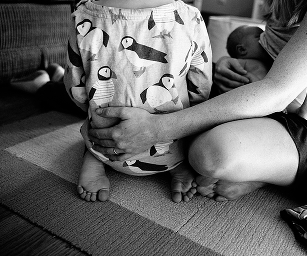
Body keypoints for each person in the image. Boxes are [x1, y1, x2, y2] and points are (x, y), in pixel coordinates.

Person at [85, 0, 307, 205]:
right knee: (162, 92)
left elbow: (278, 90)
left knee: (211, 154)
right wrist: (230, 64)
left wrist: (156, 129)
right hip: (272, 97)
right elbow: (275, 52)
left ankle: (265, 175)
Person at [62, 0, 213, 203]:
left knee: (96, 133)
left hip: (106, 142)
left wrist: (90, 109)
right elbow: (201, 83)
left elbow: (75, 84)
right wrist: (190, 111)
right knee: (182, 139)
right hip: (171, 142)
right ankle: (177, 164)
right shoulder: (190, 17)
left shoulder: (83, 16)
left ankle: (95, 159)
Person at [225, 25, 307, 119]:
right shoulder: (242, 64)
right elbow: (244, 81)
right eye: (258, 36)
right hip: (252, 101)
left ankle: (299, 112)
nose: (266, 39)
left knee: (286, 102)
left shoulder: (271, 61)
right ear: (242, 50)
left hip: (274, 100)